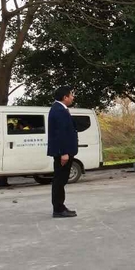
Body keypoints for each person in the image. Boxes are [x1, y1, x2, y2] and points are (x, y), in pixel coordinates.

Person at [47, 86, 78, 218]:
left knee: (61, 180)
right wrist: (64, 152)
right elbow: (60, 133)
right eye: (71, 95)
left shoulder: (60, 109)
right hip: (63, 152)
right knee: (59, 181)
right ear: (65, 97)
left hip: (64, 150)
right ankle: (58, 209)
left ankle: (60, 206)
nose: (72, 97)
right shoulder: (59, 110)